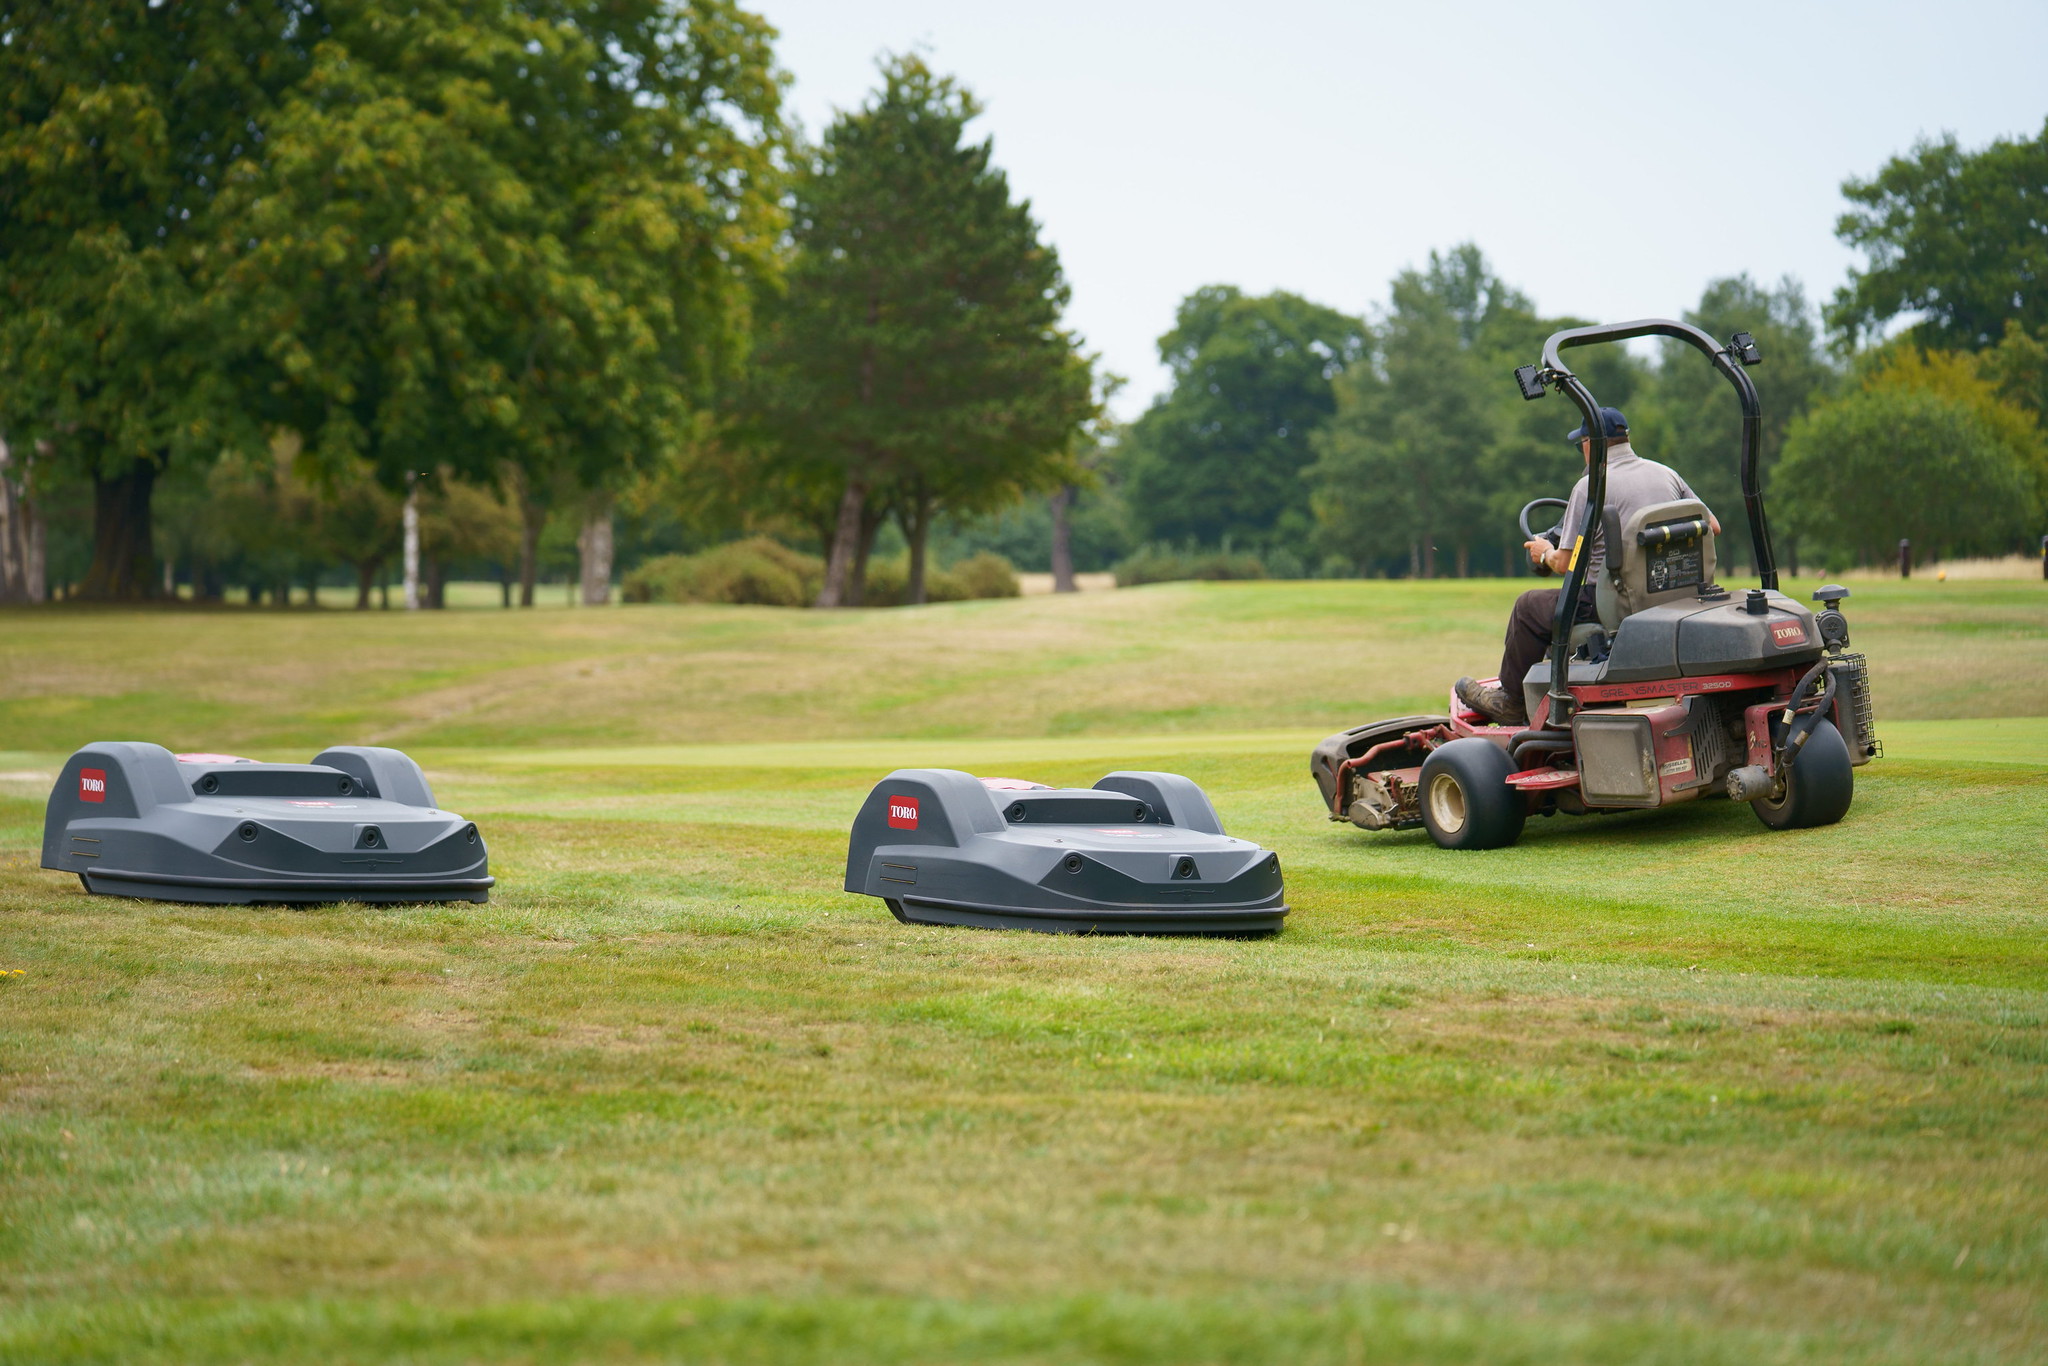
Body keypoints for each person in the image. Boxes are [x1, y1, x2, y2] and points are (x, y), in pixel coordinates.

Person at [1455, 406, 1721, 727]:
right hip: (1675, 596)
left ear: (1590, 443)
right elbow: (1713, 526)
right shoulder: (1667, 474)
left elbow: (1566, 563)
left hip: (1615, 603)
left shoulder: (1589, 487)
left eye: (1579, 443)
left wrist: (1543, 552)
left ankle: (1510, 701)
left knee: (1528, 607)